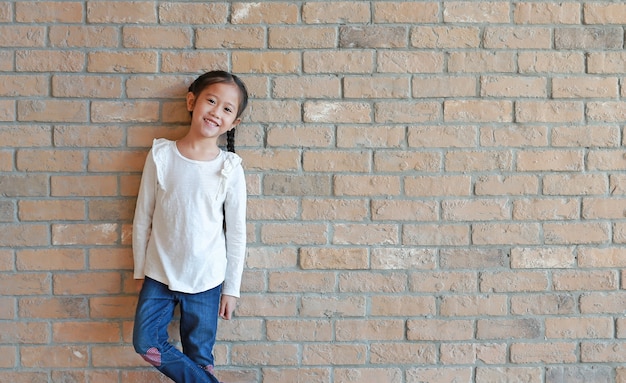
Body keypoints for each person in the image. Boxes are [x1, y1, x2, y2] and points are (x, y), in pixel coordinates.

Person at [132, 70, 249, 383]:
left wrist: (231, 289)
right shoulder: (161, 156)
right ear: (191, 101)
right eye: (211, 101)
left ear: (234, 123)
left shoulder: (229, 168)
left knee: (201, 359)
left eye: (227, 109)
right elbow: (143, 216)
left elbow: (237, 234)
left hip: (207, 279)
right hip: (159, 274)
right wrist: (139, 270)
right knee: (146, 342)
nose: (216, 111)